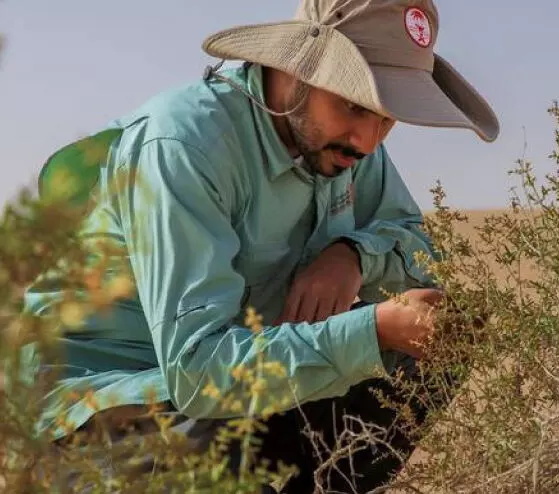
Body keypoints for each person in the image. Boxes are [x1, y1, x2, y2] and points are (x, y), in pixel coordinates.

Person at [22, 0, 499, 491]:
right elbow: (196, 371)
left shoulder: (349, 148)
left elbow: (418, 254)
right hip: (107, 402)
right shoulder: (186, 147)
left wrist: (353, 256)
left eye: (387, 118)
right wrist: (370, 330)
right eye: (354, 105)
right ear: (297, 71)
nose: (369, 140)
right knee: (220, 454)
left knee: (452, 335)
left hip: (235, 389)